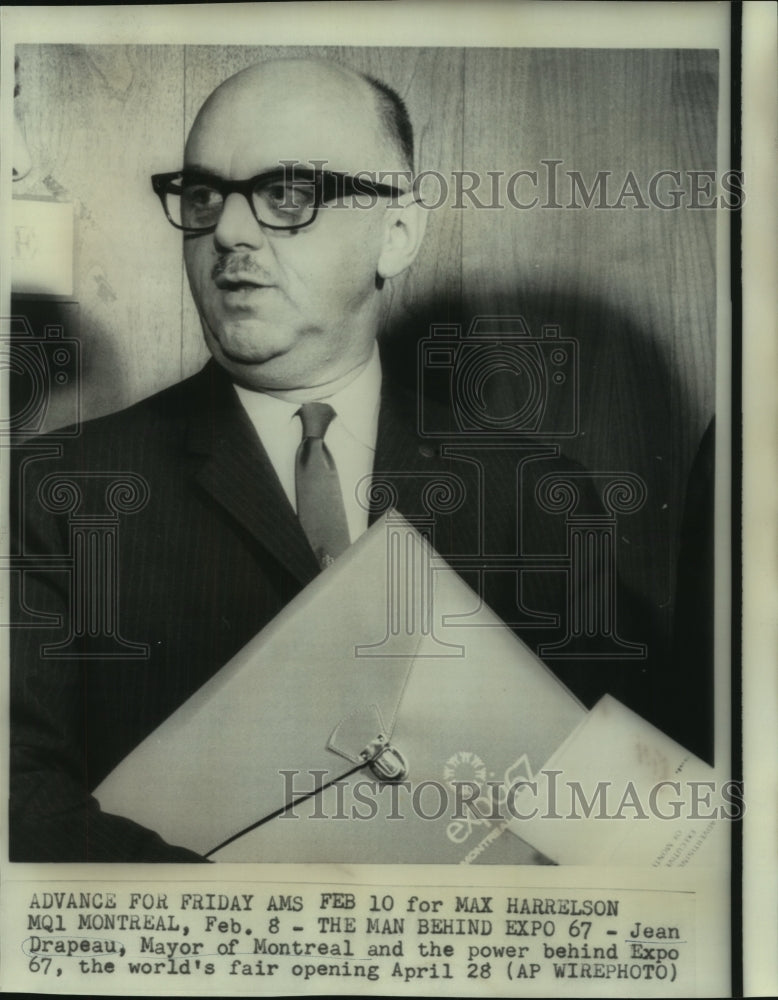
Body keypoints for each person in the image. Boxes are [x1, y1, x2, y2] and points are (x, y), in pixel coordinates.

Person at [10, 58, 668, 862]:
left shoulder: (539, 497)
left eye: (287, 193)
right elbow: (20, 797)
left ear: (396, 233)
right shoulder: (55, 490)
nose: (229, 232)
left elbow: (627, 815)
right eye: (205, 195)